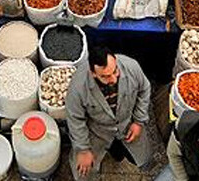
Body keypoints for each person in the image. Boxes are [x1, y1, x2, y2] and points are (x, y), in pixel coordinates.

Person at [65, 46, 155, 180]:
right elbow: (75, 118)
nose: (113, 79)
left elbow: (145, 88)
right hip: (98, 130)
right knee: (82, 174)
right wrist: (83, 149)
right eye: (105, 76)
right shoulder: (78, 87)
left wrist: (138, 121)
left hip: (127, 123)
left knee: (145, 159)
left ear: (116, 61)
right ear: (93, 73)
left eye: (115, 71)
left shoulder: (131, 66)